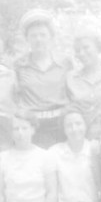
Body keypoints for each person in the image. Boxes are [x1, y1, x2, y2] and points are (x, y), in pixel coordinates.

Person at [15, 9, 71, 148]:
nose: (38, 39)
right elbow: (13, 97)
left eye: (42, 34)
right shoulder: (18, 65)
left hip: (60, 124)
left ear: (50, 36)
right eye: (33, 36)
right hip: (33, 126)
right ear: (27, 38)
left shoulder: (65, 63)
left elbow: (73, 92)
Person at [66, 32, 101, 139]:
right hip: (81, 139)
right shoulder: (70, 78)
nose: (82, 53)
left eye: (86, 47)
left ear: (97, 47)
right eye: (78, 50)